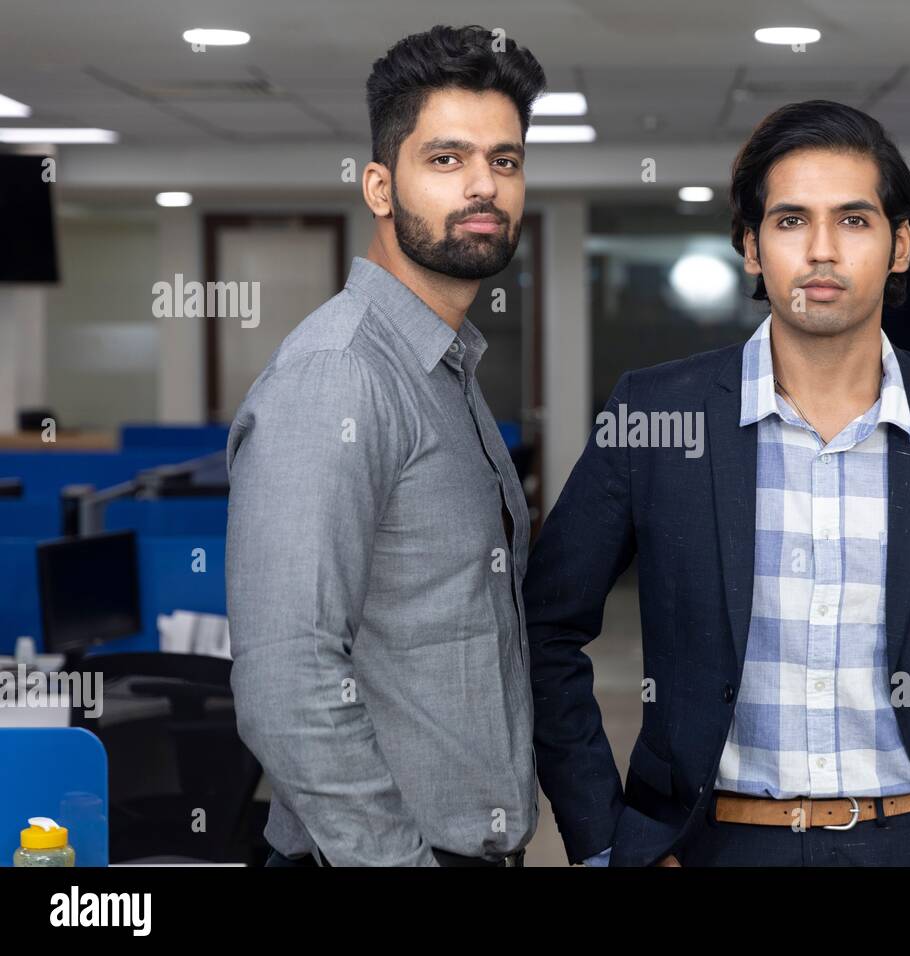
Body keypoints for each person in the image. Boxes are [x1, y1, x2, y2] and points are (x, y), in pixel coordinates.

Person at [525, 100, 910, 867]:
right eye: (791, 220)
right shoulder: (656, 415)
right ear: (751, 248)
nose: (822, 250)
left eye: (854, 221)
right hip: (712, 846)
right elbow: (545, 628)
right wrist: (606, 840)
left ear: (901, 245)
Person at [226, 24, 545, 866]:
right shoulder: (338, 376)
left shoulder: (445, 367)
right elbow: (283, 681)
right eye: (446, 159)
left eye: (504, 161)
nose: (483, 185)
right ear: (378, 185)